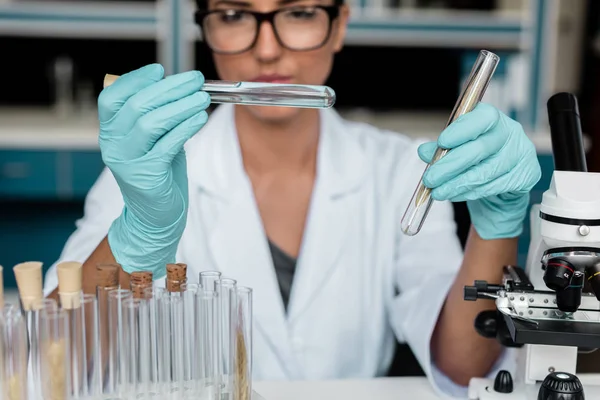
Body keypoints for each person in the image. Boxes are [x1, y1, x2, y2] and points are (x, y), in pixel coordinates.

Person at [43, 0, 541, 397]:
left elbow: (463, 366)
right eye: (236, 15)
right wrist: (140, 233)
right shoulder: (145, 173)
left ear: (339, 23)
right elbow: (51, 365)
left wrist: (496, 229)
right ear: (206, 27)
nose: (267, 50)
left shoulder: (396, 168)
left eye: (298, 13)